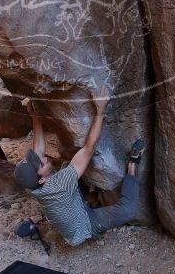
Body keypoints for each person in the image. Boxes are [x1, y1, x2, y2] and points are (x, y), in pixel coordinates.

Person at [13, 86, 144, 246]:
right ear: (41, 180)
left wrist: (35, 116)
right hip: (86, 225)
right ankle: (132, 166)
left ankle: (87, 198)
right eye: (42, 163)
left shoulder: (31, 185)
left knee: (68, 164)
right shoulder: (60, 184)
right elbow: (89, 149)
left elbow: (38, 150)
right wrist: (100, 109)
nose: (45, 158)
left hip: (69, 209)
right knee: (128, 209)